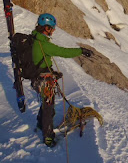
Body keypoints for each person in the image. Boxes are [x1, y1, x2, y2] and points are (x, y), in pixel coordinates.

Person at [31, 13, 93, 147]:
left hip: (39, 77)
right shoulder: (43, 44)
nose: (53, 30)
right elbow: (63, 52)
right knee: (49, 108)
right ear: (46, 28)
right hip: (44, 80)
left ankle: (40, 123)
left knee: (46, 103)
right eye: (52, 28)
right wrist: (80, 51)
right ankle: (48, 137)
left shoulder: (35, 38)